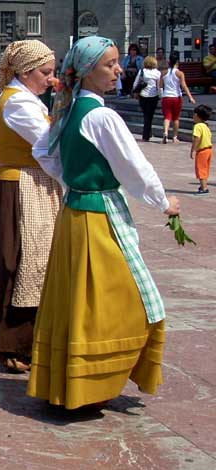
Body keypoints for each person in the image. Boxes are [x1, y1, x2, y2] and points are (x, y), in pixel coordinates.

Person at [30, 36, 177, 410]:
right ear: (85, 71)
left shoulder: (70, 109)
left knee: (77, 300)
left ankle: (72, 382)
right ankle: (92, 381)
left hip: (75, 211)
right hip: (99, 216)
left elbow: (43, 152)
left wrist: (71, 180)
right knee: (128, 300)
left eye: (116, 63)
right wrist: (164, 202)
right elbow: (133, 167)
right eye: (109, 64)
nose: (117, 70)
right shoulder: (100, 115)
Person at [0, 40, 61, 373]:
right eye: (46, 73)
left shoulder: (14, 101)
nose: (51, 79)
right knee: (23, 261)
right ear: (25, 71)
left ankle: (11, 340)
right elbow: (50, 144)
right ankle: (14, 343)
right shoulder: (19, 103)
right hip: (24, 186)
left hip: (20, 181)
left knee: (19, 259)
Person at [160, 51, 195, 144]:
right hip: (176, 97)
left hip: (166, 97)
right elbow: (184, 86)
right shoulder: (180, 73)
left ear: (169, 62)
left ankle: (165, 133)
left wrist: (160, 96)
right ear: (177, 62)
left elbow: (160, 86)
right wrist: (190, 97)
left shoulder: (163, 73)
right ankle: (175, 136)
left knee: (167, 117)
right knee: (176, 118)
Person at [131, 55, 161, 142]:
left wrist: (135, 91)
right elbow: (159, 86)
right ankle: (146, 134)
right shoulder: (157, 73)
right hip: (153, 96)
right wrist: (160, 95)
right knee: (150, 116)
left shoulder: (142, 71)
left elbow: (135, 83)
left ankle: (147, 133)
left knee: (146, 115)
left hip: (143, 95)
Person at [191, 104, 212, 195]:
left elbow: (197, 138)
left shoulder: (198, 126)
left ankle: (204, 188)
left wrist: (193, 150)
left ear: (196, 115)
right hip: (209, 150)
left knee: (200, 169)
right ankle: (203, 185)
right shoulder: (205, 126)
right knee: (205, 169)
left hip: (202, 151)